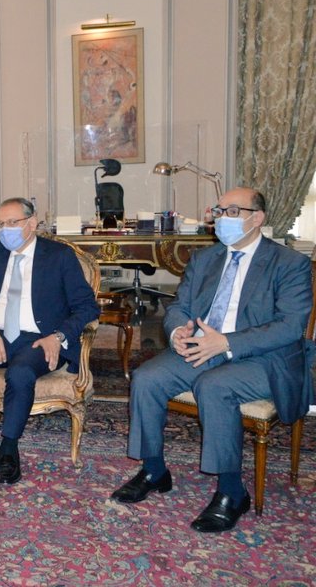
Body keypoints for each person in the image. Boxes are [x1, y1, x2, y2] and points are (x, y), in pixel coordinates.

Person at [112, 187, 313, 532]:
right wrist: (178, 332)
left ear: (257, 218)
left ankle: (232, 492)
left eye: (232, 211)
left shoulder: (289, 263)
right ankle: (154, 469)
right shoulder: (205, 259)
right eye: (219, 211)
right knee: (147, 378)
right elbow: (179, 307)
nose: (221, 219)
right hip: (204, 347)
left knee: (214, 386)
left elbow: (291, 326)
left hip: (264, 358)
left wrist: (227, 343)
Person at [0, 197, 100, 485]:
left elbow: (87, 307)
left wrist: (58, 337)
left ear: (32, 223)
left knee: (20, 372)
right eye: (0, 224)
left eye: (12, 223)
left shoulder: (59, 256)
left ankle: (9, 449)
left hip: (41, 339)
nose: (5, 230)